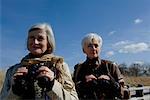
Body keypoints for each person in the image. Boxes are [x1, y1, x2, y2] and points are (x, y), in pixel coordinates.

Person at [0, 23, 79, 100]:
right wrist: (15, 91)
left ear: (48, 42)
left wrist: (52, 85)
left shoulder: (60, 67)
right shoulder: (13, 71)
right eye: (31, 38)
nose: (35, 42)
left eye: (40, 38)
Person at [73, 33, 125, 100]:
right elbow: (71, 92)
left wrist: (112, 83)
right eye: (89, 46)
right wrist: (83, 84)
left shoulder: (111, 66)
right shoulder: (79, 69)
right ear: (84, 50)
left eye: (96, 45)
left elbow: (126, 93)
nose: (93, 48)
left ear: (100, 48)